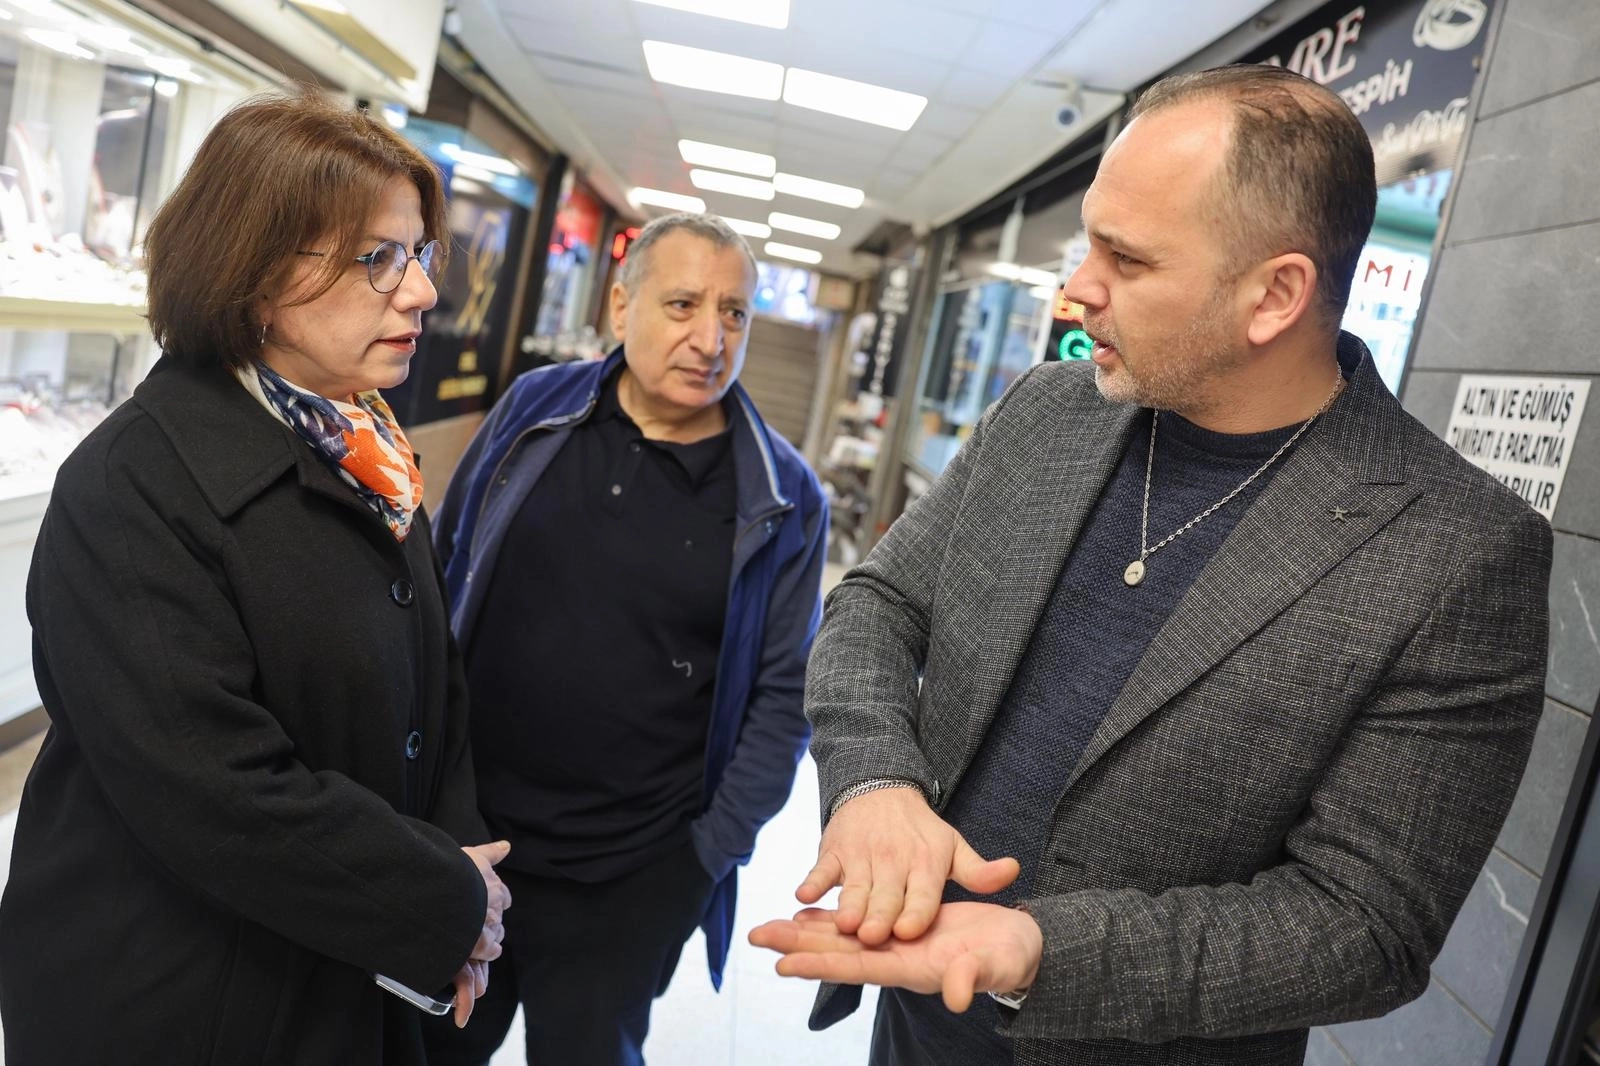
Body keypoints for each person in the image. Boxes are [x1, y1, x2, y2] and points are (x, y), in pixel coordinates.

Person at [750, 64, 1553, 1066]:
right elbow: (878, 602)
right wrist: (876, 780)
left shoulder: (1453, 552)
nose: (1077, 288)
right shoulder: (1048, 412)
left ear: (1274, 295)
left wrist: (1039, 952)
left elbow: (1365, 925)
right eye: (1089, 242)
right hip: (915, 1018)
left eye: (1126, 260)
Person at [0, 91, 512, 1066]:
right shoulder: (133, 483)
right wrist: (438, 896)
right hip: (170, 1000)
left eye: (420, 254)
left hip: (342, 972)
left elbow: (432, 689)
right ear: (256, 270)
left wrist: (461, 871)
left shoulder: (367, 450)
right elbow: (209, 783)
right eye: (378, 258)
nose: (419, 292)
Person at [422, 212, 828, 1066]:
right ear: (620, 305)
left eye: (734, 313)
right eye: (682, 305)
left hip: (629, 875)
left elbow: (785, 697)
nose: (710, 339)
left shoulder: (782, 494)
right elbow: (445, 566)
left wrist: (700, 864)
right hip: (465, 838)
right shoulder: (536, 408)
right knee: (421, 1050)